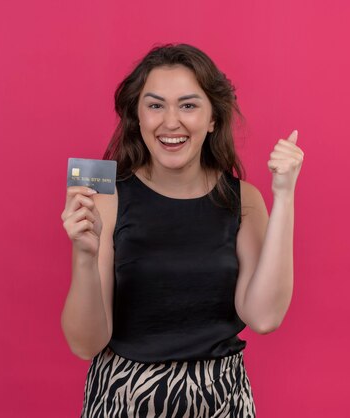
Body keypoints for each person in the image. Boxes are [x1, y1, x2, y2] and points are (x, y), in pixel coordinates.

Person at [60, 43, 304, 417]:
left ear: (212, 119)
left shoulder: (245, 201)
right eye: (155, 105)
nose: (170, 121)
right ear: (137, 116)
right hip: (123, 399)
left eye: (188, 105)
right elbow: (85, 344)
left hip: (222, 401)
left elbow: (264, 317)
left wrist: (284, 196)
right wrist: (84, 254)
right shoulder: (107, 202)